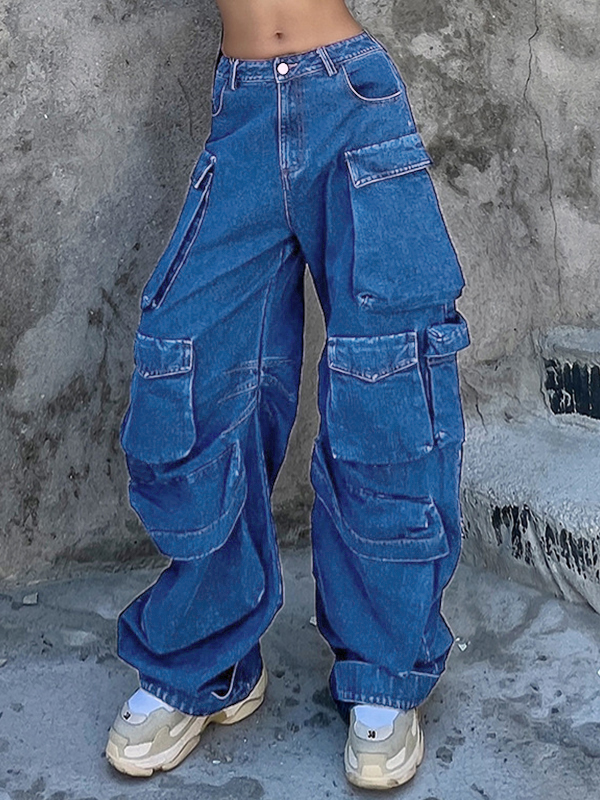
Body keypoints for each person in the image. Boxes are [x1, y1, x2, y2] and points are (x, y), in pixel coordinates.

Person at [105, 0, 470, 790]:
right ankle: (210, 660)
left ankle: (384, 669)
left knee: (387, 382)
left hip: (353, 103)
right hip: (242, 113)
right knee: (190, 370)